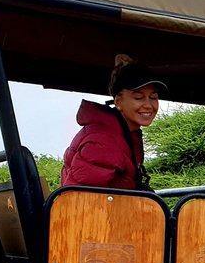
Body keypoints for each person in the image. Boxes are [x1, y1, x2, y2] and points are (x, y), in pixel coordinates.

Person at [60, 55, 166, 190]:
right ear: (118, 102)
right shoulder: (103, 140)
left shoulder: (127, 134)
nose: (148, 105)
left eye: (153, 97)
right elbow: (80, 197)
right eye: (138, 97)